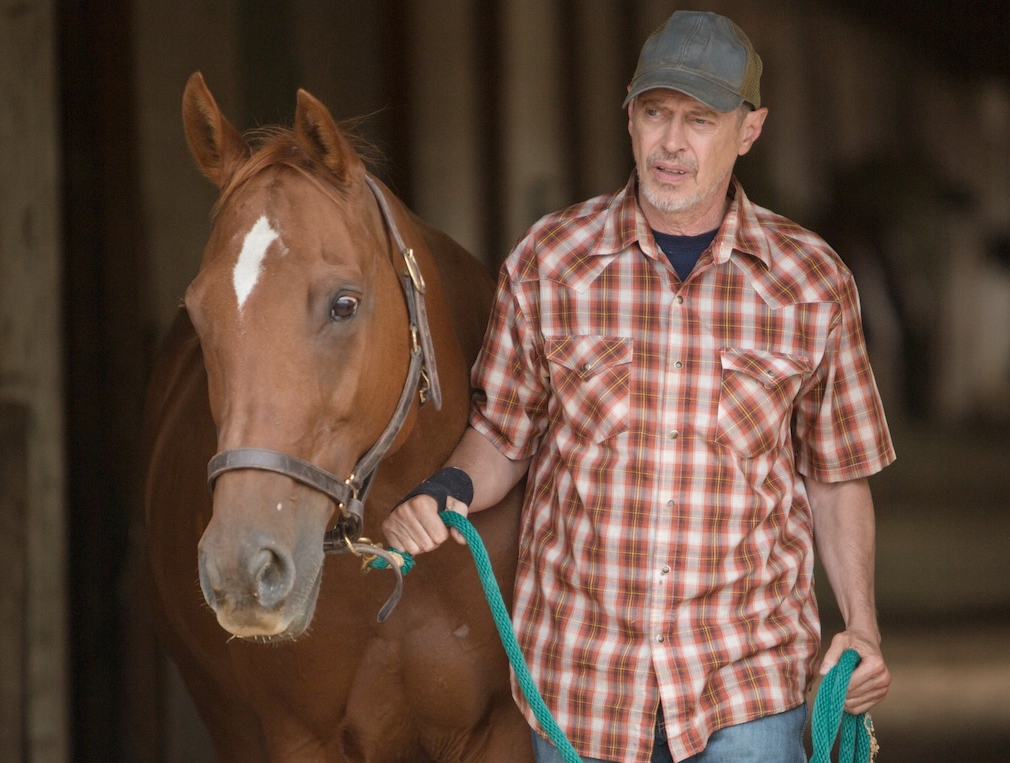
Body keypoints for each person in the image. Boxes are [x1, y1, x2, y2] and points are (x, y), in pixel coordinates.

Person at [382, 10, 895, 763]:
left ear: (749, 131)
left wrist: (863, 624)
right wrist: (442, 488)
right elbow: (502, 435)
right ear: (628, 115)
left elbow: (836, 473)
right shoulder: (550, 261)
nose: (672, 143)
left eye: (700, 119)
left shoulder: (812, 282)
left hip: (746, 680)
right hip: (584, 679)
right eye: (656, 114)